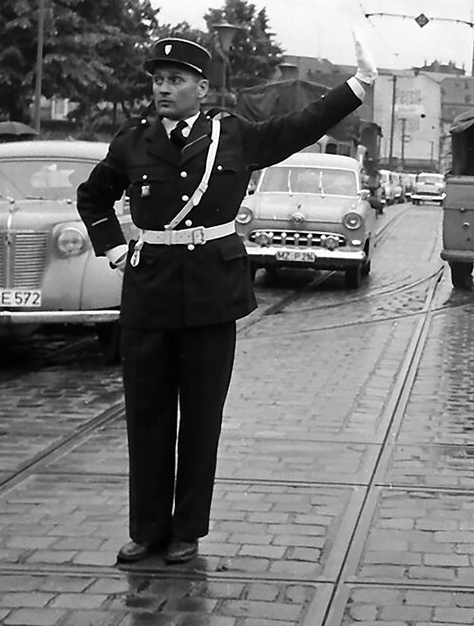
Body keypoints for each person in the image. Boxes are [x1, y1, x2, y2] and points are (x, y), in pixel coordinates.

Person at [76, 33, 374, 566]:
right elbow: (93, 196)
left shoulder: (230, 135)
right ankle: (147, 529)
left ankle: (187, 528)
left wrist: (356, 87)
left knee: (201, 416)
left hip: (212, 294)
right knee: (146, 415)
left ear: (201, 87)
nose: (163, 89)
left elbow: (299, 126)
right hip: (149, 293)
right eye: (158, 80)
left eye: (176, 80)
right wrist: (115, 249)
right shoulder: (132, 141)